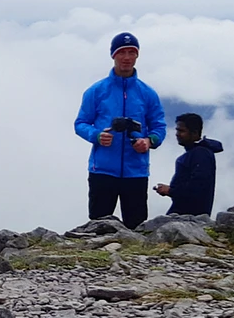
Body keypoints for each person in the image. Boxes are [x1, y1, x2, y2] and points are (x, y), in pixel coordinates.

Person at [73, 32, 167, 228]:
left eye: (131, 52)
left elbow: (159, 126)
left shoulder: (147, 93)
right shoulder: (97, 91)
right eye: (121, 52)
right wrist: (97, 136)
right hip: (103, 171)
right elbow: (80, 123)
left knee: (136, 226)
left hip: (136, 171)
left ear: (137, 55)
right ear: (113, 55)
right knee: (98, 226)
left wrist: (149, 141)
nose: (126, 57)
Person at [155, 112, 222, 216]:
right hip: (185, 211)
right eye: (177, 130)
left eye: (181, 131)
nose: (177, 134)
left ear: (194, 133)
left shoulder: (201, 154)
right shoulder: (195, 153)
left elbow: (198, 187)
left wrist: (170, 191)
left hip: (191, 214)